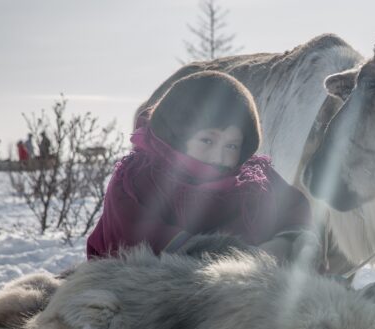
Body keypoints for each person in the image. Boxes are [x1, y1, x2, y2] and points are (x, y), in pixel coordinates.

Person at [86, 71, 314, 263]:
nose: (219, 156)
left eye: (232, 145)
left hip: (236, 290)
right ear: (177, 136)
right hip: (144, 289)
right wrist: (229, 256)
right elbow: (137, 237)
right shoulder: (138, 178)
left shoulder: (253, 178)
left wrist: (287, 243)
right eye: (207, 141)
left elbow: (294, 209)